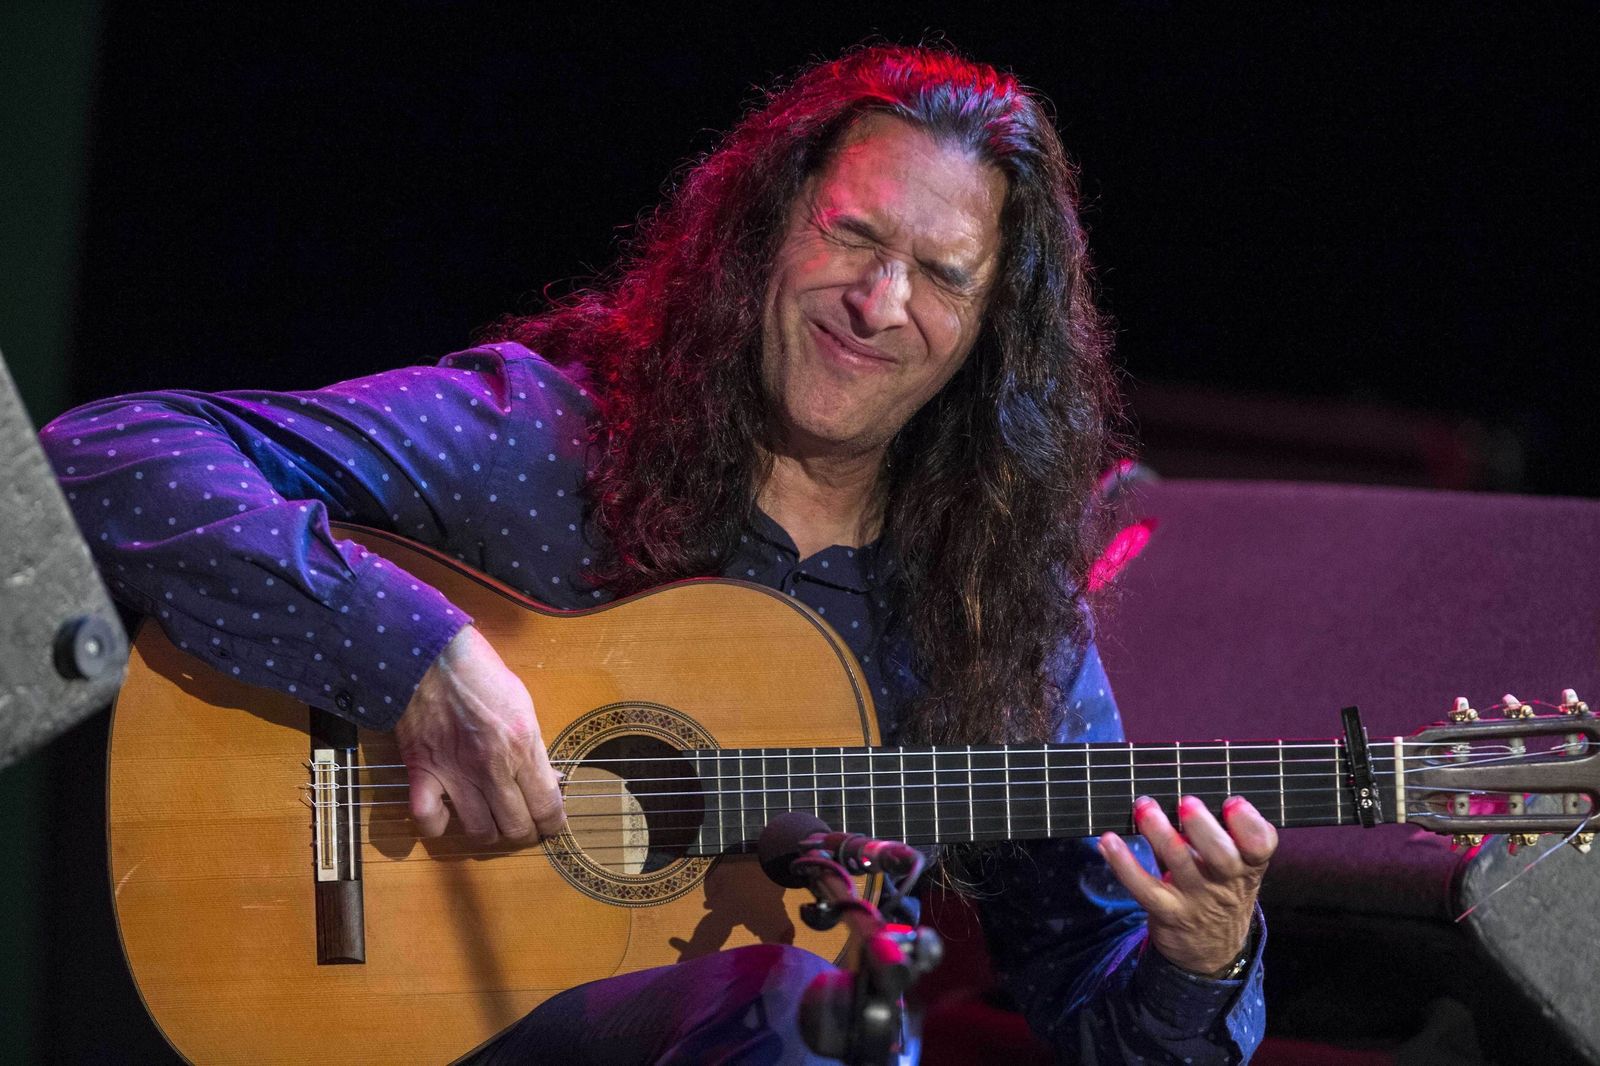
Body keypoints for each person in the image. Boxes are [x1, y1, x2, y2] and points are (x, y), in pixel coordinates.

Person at [43, 45, 1276, 1064]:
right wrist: (416, 656)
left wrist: (1203, 955)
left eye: (942, 276)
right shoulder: (544, 440)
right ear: (769, 232)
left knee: (818, 1013)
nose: (880, 298)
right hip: (404, 1018)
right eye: (851, 235)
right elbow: (107, 452)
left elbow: (1101, 1028)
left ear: (987, 336)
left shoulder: (995, 617)